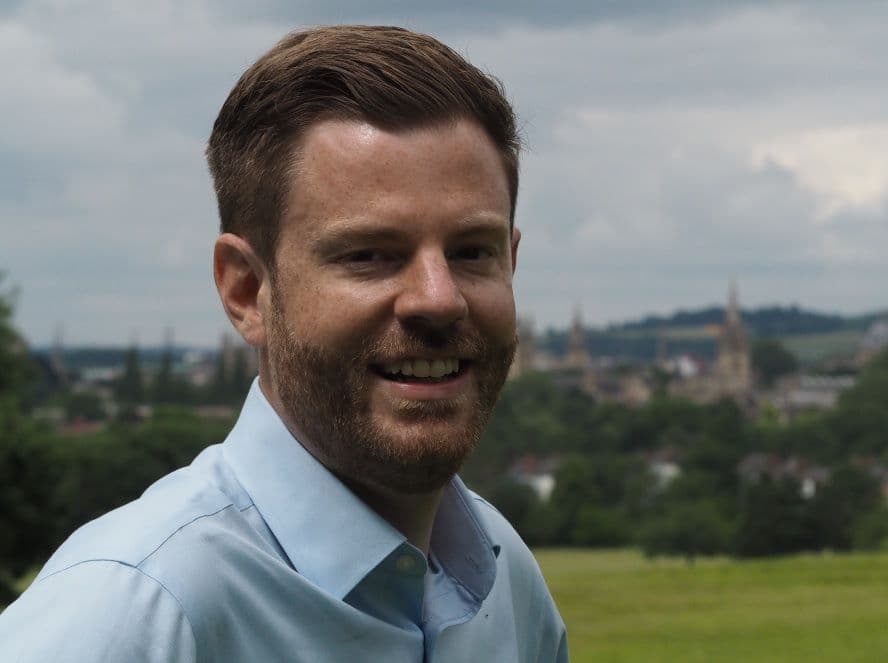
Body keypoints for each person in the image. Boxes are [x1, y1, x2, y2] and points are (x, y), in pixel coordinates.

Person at [0, 25, 568, 662]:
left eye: (471, 252)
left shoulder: (506, 586)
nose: (438, 298)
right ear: (247, 291)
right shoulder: (131, 615)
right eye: (370, 255)